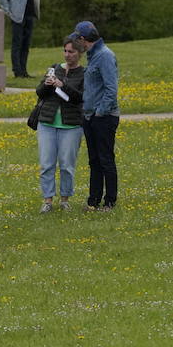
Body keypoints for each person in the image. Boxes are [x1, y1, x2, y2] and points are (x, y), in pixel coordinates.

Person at [71, 21, 120, 212]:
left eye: (78, 40)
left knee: (106, 159)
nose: (77, 44)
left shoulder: (105, 56)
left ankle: (110, 201)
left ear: (84, 39)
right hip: (90, 116)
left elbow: (111, 89)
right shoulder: (93, 56)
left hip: (104, 117)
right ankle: (93, 201)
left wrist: (100, 112)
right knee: (94, 160)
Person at [35, 36, 85, 213]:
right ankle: (47, 200)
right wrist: (48, 85)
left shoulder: (84, 73)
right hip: (47, 123)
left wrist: (62, 85)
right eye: (65, 51)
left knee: (66, 165)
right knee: (47, 164)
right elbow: (39, 92)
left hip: (71, 125)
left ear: (80, 53)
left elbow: (80, 97)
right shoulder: (55, 68)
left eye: (71, 52)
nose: (67, 55)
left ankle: (65, 199)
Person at [0, 0, 47, 77]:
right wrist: (7, 9)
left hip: (30, 15)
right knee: (17, 43)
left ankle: (24, 71)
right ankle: (17, 71)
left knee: (26, 44)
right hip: (17, 15)